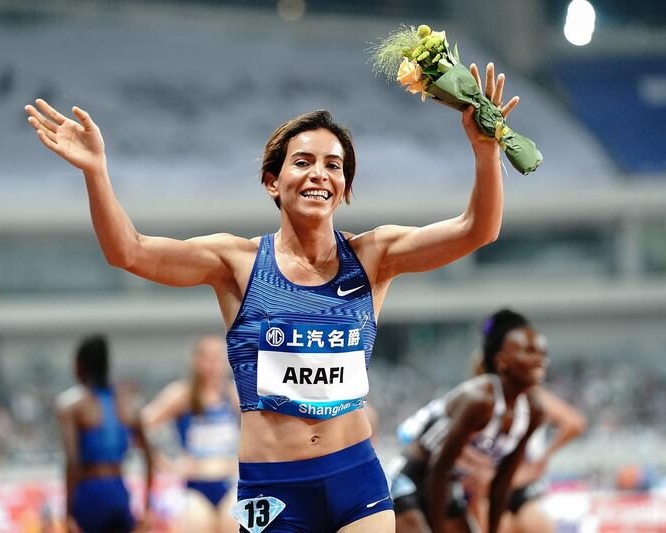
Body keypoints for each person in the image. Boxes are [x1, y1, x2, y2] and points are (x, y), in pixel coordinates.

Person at [26, 61, 519, 533]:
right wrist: (95, 172)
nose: (319, 174)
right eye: (302, 162)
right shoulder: (236, 263)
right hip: (273, 487)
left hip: (356, 476)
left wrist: (484, 152)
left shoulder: (374, 256)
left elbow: (478, 229)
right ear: (272, 183)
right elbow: (128, 252)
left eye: (334, 165)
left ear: (344, 187)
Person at [390, 309, 546, 533]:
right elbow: (437, 470)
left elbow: (502, 482)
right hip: (412, 477)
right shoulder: (481, 400)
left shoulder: (534, 411)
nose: (540, 360)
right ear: (502, 361)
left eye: (542, 352)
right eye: (530, 352)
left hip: (446, 485)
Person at [56, 335, 154, 533]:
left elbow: (73, 462)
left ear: (79, 366)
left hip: (89, 493)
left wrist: (67, 514)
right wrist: (147, 507)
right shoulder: (128, 404)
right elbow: (150, 458)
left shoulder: (71, 406)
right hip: (119, 491)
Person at [142, 335, 240, 533]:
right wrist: (163, 462)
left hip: (230, 482)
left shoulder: (233, 393)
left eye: (219, 357)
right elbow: (141, 425)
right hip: (196, 484)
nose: (214, 364)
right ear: (196, 361)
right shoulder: (182, 394)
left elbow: (262, 428)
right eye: (208, 358)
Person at [499, 387, 587, 533]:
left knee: (530, 523)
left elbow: (575, 423)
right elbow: (574, 423)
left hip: (517, 484)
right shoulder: (493, 395)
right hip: (503, 484)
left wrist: (543, 458)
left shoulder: (530, 393)